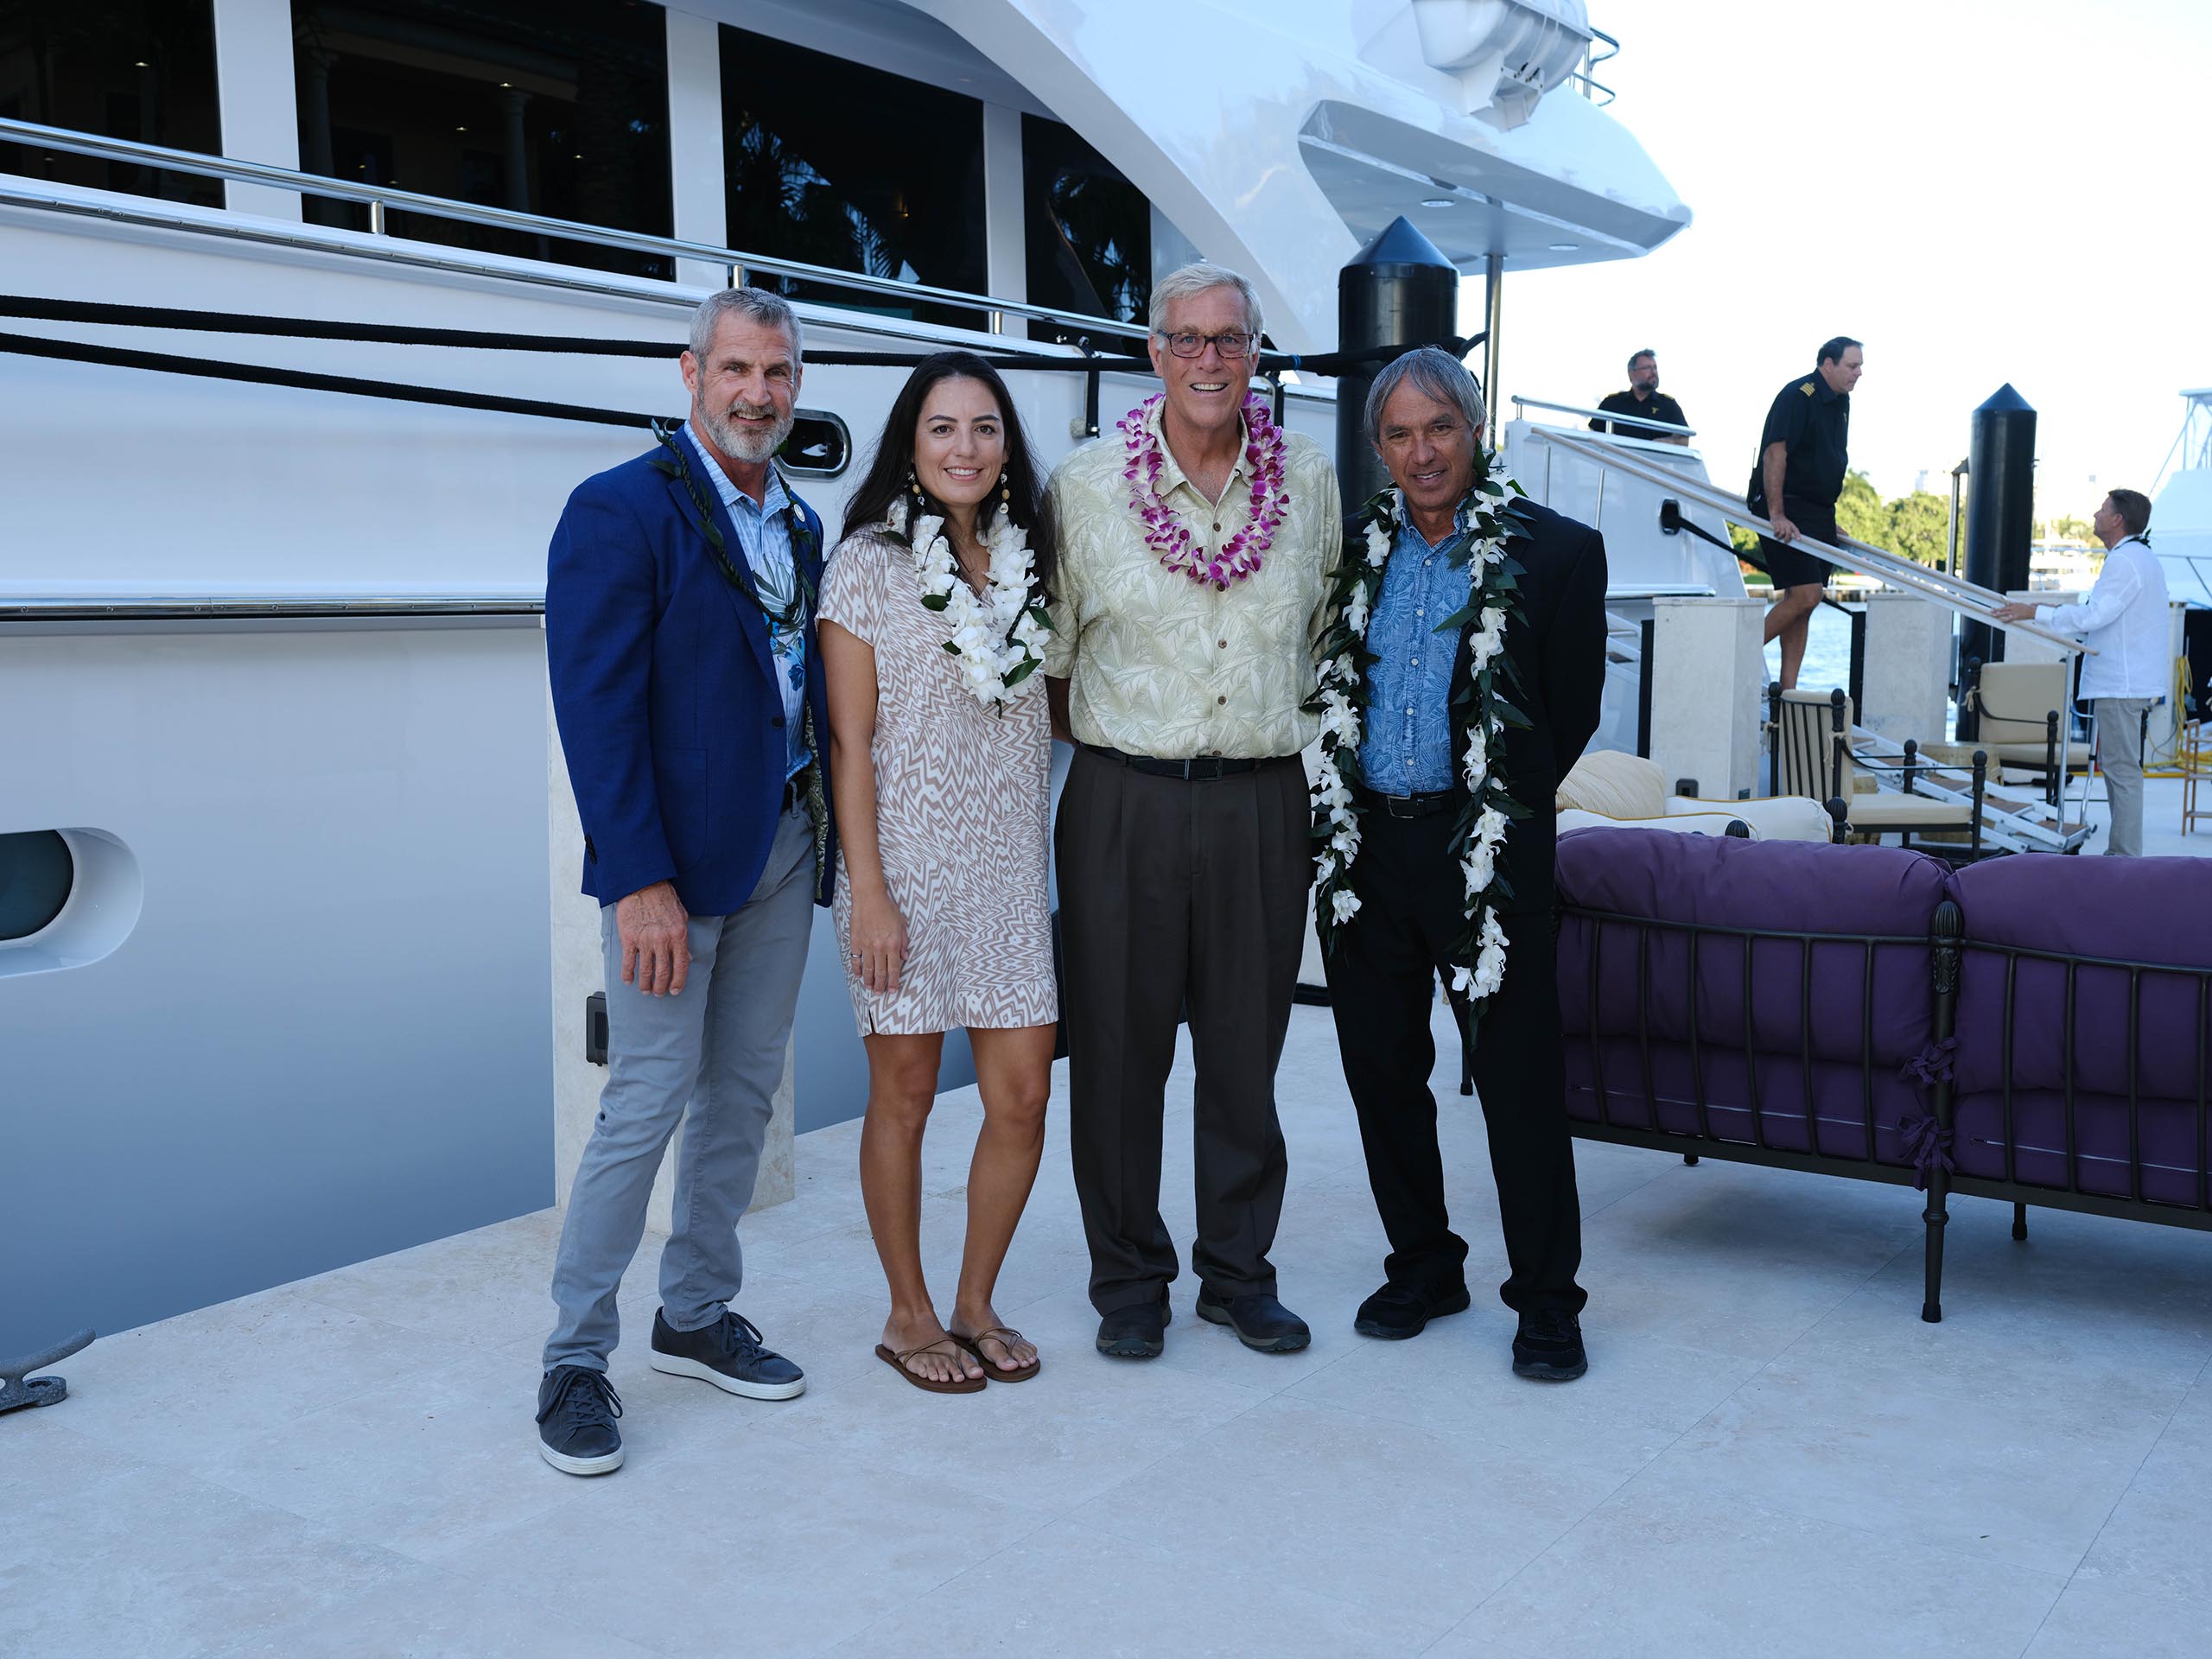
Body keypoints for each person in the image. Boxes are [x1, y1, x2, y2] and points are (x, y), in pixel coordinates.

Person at [537, 287, 830, 1476]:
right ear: (690, 372)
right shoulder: (617, 511)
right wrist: (638, 879)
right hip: (672, 872)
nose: (758, 394)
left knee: (745, 1093)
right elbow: (594, 711)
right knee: (645, 1103)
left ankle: (696, 1313)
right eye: (738, 371)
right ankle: (572, 1358)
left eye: (778, 374)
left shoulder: (798, 525)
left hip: (780, 850)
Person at [1045, 262, 1342, 1361]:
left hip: (1263, 801)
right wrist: (1137, 758)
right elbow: (1056, 664)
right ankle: (1128, 1280)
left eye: (1229, 340)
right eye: (1187, 339)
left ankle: (1237, 1274)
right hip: (1123, 798)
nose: (1208, 359)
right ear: (1152, 353)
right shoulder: (1081, 487)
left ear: (1255, 354)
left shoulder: (1309, 482)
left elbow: (1325, 632)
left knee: (1242, 1053)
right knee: (1117, 1054)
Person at [1312, 346, 1607, 1381]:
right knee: (1381, 1069)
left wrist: (1496, 810)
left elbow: (1569, 716)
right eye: (1398, 434)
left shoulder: (1558, 552)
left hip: (1485, 854)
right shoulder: (1360, 551)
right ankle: (1426, 1266)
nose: (1421, 451)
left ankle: (1546, 1301)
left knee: (1519, 1078)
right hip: (1365, 850)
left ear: (1475, 431)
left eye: (1439, 427)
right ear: (1379, 448)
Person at [817, 353, 1060, 1393]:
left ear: (1007, 450)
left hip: (1009, 870)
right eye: (943, 428)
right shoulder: (866, 565)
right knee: (907, 1093)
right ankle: (907, 1313)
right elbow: (848, 744)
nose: (965, 448)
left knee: (1021, 1096)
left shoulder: (1029, 563)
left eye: (985, 429)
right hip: (902, 869)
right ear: (910, 446)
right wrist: (865, 889)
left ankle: (974, 1301)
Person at [1993, 488, 2171, 856]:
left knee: (2122, 770)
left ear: (2118, 519)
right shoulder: (2140, 558)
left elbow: (2094, 616)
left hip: (2121, 684)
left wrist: (2035, 611)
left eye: (2103, 509)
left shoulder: (2125, 561)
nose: (2095, 514)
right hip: (2127, 681)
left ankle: (2123, 856)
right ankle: (2123, 854)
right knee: (2121, 766)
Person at [1750, 337, 1863, 690]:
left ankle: (1789, 692)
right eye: (1852, 366)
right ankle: (1733, 653)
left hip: (1816, 511)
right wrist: (1776, 513)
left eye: (1860, 366)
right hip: (1786, 503)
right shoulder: (1798, 395)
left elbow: (1823, 461)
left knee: (1803, 605)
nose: (1859, 373)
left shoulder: (1841, 401)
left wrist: (1828, 521)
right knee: (1806, 595)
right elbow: (1775, 454)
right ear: (1827, 364)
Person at [1590, 349, 1689, 444]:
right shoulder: (1612, 403)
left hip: (1653, 461)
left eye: (1655, 368)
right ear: (1632, 373)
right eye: (1647, 368)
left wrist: (1664, 443)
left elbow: (1684, 439)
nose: (1653, 372)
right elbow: (1593, 437)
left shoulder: (1668, 405)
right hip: (1615, 460)